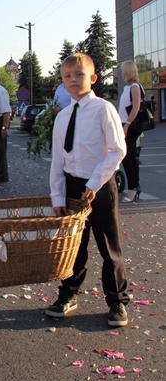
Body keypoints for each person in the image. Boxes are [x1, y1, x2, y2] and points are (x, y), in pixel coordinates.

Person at [46, 53, 129, 327]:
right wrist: (58, 196)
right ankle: (68, 295)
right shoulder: (62, 117)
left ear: (92, 78)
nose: (72, 80)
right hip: (71, 187)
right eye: (67, 76)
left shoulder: (104, 109)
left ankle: (116, 301)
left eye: (79, 75)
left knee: (109, 247)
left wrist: (94, 184)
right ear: (62, 81)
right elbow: (58, 160)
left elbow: (117, 151)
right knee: (74, 247)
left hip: (100, 185)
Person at [118, 60, 142, 202]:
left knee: (125, 156)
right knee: (131, 157)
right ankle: (135, 186)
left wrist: (126, 125)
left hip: (131, 126)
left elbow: (136, 108)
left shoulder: (134, 87)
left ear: (128, 71)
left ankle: (132, 189)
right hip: (124, 124)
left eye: (123, 71)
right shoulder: (127, 88)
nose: (121, 73)